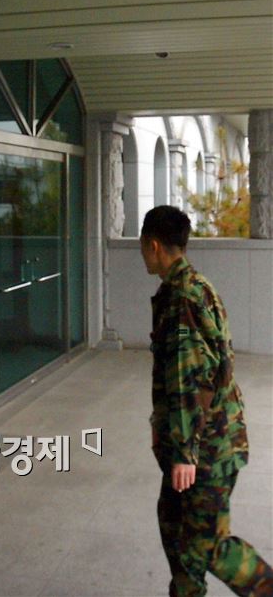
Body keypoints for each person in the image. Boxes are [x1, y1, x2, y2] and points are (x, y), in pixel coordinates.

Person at [140, 205, 273, 597]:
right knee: (174, 526)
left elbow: (190, 379)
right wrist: (161, 427)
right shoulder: (194, 286)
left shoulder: (182, 299)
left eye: (143, 246)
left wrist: (185, 452)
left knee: (205, 546)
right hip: (205, 440)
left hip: (207, 447)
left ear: (153, 245)